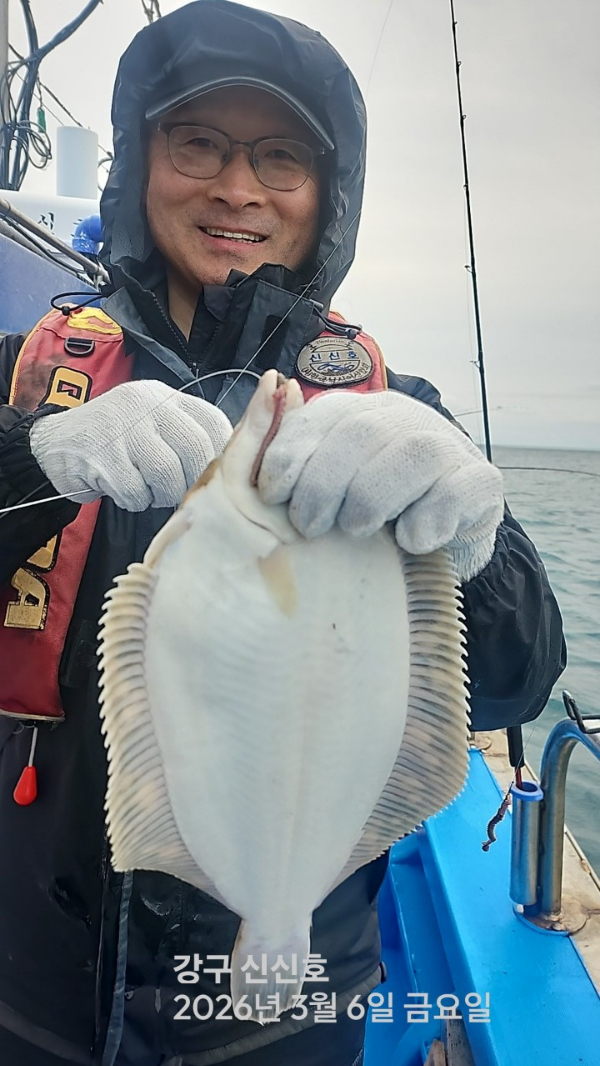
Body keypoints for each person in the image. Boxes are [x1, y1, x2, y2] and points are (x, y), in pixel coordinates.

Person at [0, 2, 566, 1064]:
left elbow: (515, 680)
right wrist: (27, 457)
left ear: (325, 195)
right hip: (29, 980)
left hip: (288, 1011)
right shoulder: (30, 378)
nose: (238, 187)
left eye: (281, 158)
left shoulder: (399, 416)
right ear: (141, 165)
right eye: (197, 143)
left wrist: (473, 541)